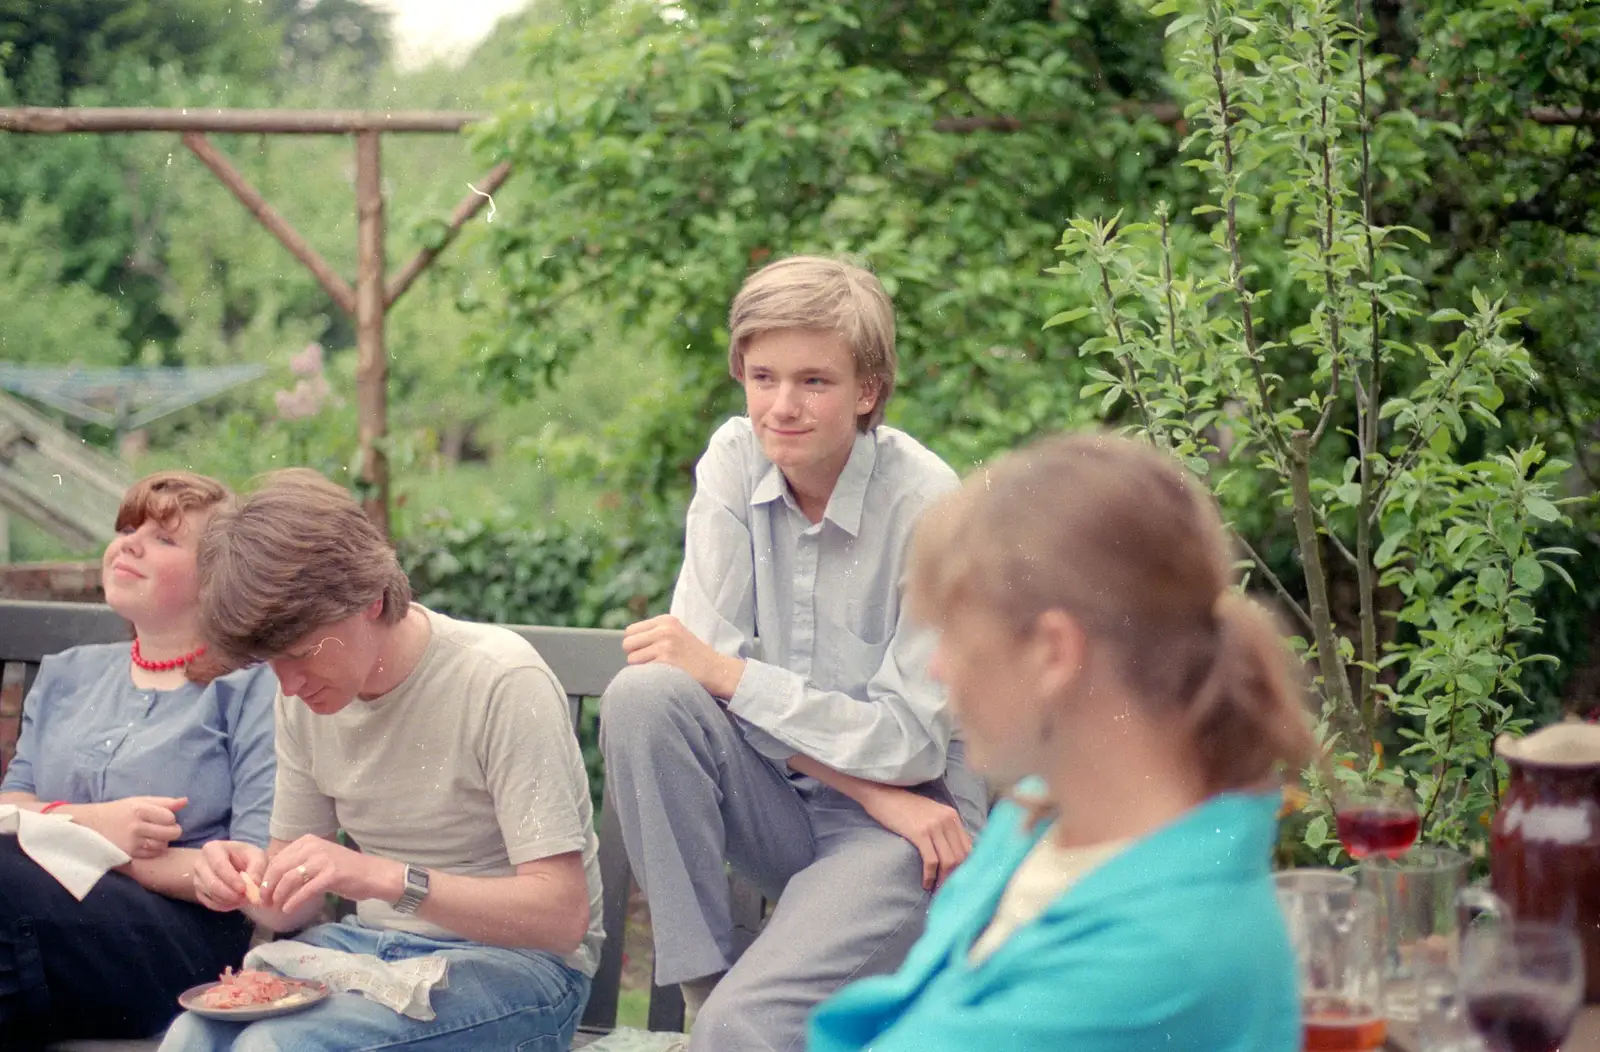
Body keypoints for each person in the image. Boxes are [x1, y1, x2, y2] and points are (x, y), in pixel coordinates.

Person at [807, 432, 1313, 1052]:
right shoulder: (1038, 819)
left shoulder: (1155, 956)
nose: (938, 668)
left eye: (956, 636)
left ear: (1053, 653)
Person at [599, 255, 989, 1052]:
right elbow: (688, 680)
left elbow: (909, 745)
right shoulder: (735, 459)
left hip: (912, 836)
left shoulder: (929, 503)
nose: (782, 406)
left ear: (867, 391)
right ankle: (705, 989)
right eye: (764, 375)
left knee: (747, 1028)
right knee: (644, 699)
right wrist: (871, 787)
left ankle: (727, 1019)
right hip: (805, 801)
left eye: (814, 382)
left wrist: (734, 677)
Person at [160, 468, 603, 1052]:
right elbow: (293, 905)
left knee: (273, 1049)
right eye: (271, 662)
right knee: (194, 1033)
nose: (288, 686)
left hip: (522, 970)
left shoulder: (498, 679)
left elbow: (560, 917)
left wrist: (387, 879)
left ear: (370, 599)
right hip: (371, 955)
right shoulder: (303, 701)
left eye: (300, 653)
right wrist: (249, 881)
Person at [0, 470, 278, 1047]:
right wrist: (94, 825)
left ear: (218, 581)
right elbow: (10, 803)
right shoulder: (68, 674)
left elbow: (255, 874)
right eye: (128, 528)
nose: (129, 542)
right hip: (37, 920)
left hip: (179, 944)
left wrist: (96, 848)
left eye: (165, 538)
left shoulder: (253, 690)